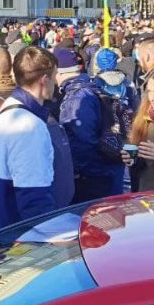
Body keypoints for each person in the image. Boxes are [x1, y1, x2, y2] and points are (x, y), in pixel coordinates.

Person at [0, 46, 73, 243]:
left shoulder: (4, 109)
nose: (57, 83)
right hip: (16, 240)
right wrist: (57, 235)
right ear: (44, 80)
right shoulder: (29, 125)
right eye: (55, 76)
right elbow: (33, 196)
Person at [55, 48, 123, 202]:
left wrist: (79, 174)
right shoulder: (92, 85)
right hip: (107, 169)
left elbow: (83, 142)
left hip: (94, 177)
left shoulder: (76, 97)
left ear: (58, 73)